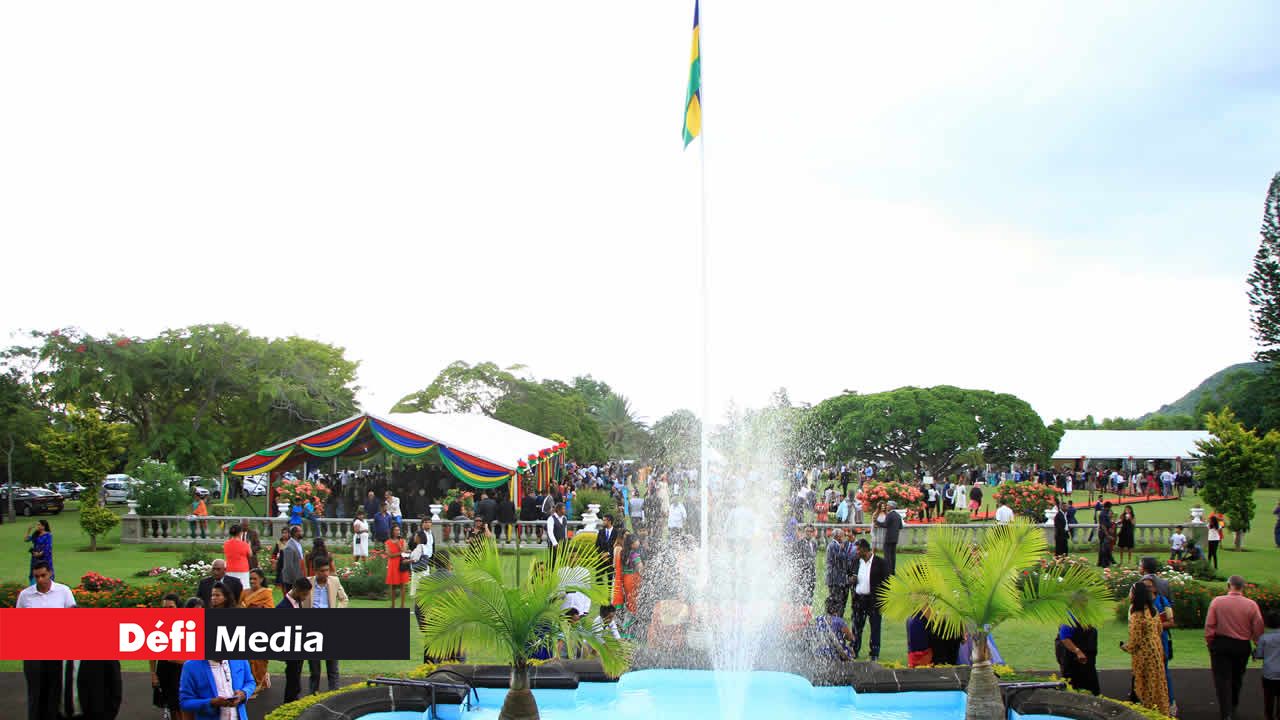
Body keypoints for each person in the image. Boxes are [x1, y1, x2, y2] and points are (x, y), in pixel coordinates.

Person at [19, 563, 75, 720]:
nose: (40, 579)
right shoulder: (25, 595)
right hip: (33, 653)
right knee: (35, 693)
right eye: (36, 576)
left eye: (43, 575)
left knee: (55, 691)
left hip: (57, 651)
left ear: (50, 573)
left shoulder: (63, 592)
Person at [1205, 575, 1265, 719]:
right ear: (1242, 587)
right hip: (1242, 645)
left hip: (1221, 643)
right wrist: (1257, 644)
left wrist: (1210, 642)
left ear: (1228, 585)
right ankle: (1233, 704)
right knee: (1237, 677)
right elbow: (1258, 627)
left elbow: (1210, 625)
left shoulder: (1217, 602)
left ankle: (1225, 712)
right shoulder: (1251, 605)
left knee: (1221, 678)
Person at [1121, 581, 1170, 715]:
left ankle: (1148, 713)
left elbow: (1135, 639)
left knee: (1146, 685)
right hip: (1156, 648)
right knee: (1158, 683)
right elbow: (1159, 629)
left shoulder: (1137, 613)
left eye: (1131, 592)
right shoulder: (1152, 610)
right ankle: (1162, 712)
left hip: (1144, 653)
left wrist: (1125, 647)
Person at [302, 555, 347, 694]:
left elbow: (344, 599)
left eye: (327, 570)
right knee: (314, 669)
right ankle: (313, 694)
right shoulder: (307, 583)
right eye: (322, 571)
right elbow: (292, 598)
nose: (325, 573)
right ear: (315, 571)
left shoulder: (334, 581)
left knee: (333, 666)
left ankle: (334, 694)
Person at [849, 538, 887, 661]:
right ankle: (854, 649)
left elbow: (887, 582)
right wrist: (851, 580)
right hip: (859, 599)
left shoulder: (880, 562)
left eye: (858, 549)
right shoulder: (856, 561)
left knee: (875, 626)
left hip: (873, 600)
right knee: (856, 626)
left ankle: (874, 653)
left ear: (865, 549)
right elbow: (850, 575)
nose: (856, 552)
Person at [178, 658, 255, 720]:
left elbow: (250, 682)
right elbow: (185, 702)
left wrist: (243, 694)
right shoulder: (191, 666)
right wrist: (211, 703)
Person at [238, 569, 275, 698]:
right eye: (251, 578)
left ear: (261, 579)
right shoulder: (244, 592)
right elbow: (238, 608)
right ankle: (253, 682)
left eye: (255, 578)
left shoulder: (266, 593)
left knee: (260, 658)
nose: (252, 581)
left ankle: (259, 682)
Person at [276, 578, 312, 704]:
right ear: (296, 590)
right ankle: (289, 704)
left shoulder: (297, 602)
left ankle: (293, 700)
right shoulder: (282, 607)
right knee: (292, 679)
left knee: (296, 679)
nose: (305, 597)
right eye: (304, 594)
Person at [1056, 615, 1100, 695]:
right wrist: (1078, 652)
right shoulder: (1070, 617)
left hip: (1087, 661)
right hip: (1073, 661)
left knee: (1091, 689)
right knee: (1074, 690)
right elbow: (1064, 638)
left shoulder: (1088, 614)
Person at [1253, 610, 1280, 720]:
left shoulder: (1264, 638)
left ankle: (1269, 716)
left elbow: (1259, 655)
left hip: (1269, 673)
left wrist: (1254, 653)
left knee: (1268, 697)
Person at [813, 596, 855, 661]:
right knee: (850, 652)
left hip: (820, 652)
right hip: (835, 653)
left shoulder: (819, 619)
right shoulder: (839, 621)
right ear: (838, 608)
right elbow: (850, 638)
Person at [825, 529, 851, 618]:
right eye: (842, 535)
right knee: (835, 600)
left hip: (836, 578)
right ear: (837, 536)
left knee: (837, 600)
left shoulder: (835, 545)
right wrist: (843, 549)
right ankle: (834, 618)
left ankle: (837, 618)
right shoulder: (834, 545)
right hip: (835, 579)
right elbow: (840, 558)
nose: (844, 537)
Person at [385, 524, 410, 608]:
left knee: (403, 585)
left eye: (398, 530)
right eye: (396, 530)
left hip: (401, 564)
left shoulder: (403, 541)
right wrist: (400, 553)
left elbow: (404, 551)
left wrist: (399, 545)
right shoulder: (388, 542)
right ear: (392, 531)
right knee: (393, 586)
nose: (397, 532)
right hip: (393, 565)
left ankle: (402, 605)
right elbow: (389, 555)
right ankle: (393, 605)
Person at [874, 502, 903, 575]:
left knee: (887, 556)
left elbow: (885, 524)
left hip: (888, 538)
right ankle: (892, 571)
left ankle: (888, 571)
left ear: (891, 507)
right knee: (893, 555)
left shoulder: (890, 515)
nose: (886, 506)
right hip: (895, 538)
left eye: (888, 505)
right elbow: (901, 527)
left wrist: (876, 522)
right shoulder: (898, 515)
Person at [409, 517, 434, 599]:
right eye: (425, 522)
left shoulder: (431, 534)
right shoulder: (418, 533)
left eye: (429, 522)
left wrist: (432, 561)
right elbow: (411, 545)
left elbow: (432, 547)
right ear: (422, 524)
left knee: (425, 580)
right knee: (420, 581)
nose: (427, 524)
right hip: (419, 559)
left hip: (428, 559)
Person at [619, 535, 643, 614]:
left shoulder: (622, 553)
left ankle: (630, 614)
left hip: (625, 578)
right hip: (633, 578)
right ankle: (635, 615)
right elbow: (640, 568)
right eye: (637, 541)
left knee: (629, 597)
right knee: (635, 598)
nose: (638, 542)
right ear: (632, 544)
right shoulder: (635, 555)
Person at [278, 526, 306, 594]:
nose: (302, 533)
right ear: (296, 533)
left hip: (299, 577)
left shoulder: (298, 544)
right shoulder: (289, 547)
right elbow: (288, 566)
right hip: (292, 580)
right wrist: (295, 580)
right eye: (300, 531)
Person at [25, 519, 54, 583]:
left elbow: (48, 547)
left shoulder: (48, 535)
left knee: (44, 569)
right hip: (35, 557)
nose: (37, 526)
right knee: (34, 570)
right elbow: (26, 539)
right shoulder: (36, 534)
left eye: (39, 525)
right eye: (37, 525)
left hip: (44, 557)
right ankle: (34, 584)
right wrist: (29, 530)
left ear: (44, 526)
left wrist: (40, 554)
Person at [1097, 502, 1115, 568]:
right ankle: (1105, 563)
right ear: (1108, 507)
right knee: (1105, 548)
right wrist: (1107, 535)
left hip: (1103, 532)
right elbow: (1103, 525)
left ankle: (1101, 562)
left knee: (1103, 548)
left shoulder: (1104, 513)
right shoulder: (1103, 514)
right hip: (1104, 532)